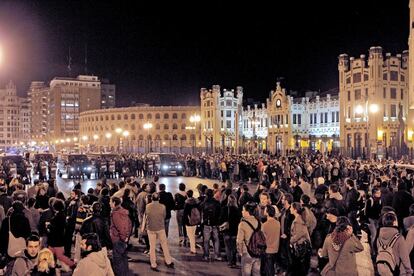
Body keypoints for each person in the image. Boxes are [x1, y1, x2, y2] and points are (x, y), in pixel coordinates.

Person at [145, 192, 174, 271]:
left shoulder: (147, 206)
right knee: (164, 245)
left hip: (150, 228)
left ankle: (153, 263)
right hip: (160, 228)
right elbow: (164, 216)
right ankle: (168, 261)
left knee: (152, 246)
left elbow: (146, 215)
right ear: (159, 198)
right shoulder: (163, 206)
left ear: (151, 198)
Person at [237, 201, 261, 276]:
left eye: (243, 210)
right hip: (258, 252)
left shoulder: (243, 224)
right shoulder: (259, 222)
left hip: (247, 252)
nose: (242, 212)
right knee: (257, 273)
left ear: (247, 212)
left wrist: (240, 251)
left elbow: (239, 240)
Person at [110, 196, 132, 276]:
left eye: (110, 202)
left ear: (114, 203)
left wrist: (123, 238)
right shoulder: (123, 212)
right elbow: (129, 224)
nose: (109, 203)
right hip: (121, 240)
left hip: (118, 240)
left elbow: (121, 227)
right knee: (123, 259)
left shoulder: (116, 214)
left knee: (117, 261)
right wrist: (127, 236)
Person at [219, 194, 241, 268]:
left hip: (227, 231)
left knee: (228, 247)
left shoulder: (224, 209)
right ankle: (234, 262)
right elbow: (239, 221)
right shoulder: (238, 210)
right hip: (235, 231)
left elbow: (221, 219)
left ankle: (229, 262)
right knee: (234, 248)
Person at [289, 202, 311, 275]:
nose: (290, 209)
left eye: (291, 207)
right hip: (301, 246)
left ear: (295, 210)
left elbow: (299, 234)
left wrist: (291, 240)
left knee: (299, 267)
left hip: (301, 247)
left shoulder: (298, 221)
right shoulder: (299, 219)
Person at [201, 188, 221, 261]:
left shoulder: (204, 203)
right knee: (216, 240)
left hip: (206, 224)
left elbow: (200, 208)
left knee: (206, 241)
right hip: (215, 223)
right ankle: (217, 255)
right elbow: (219, 213)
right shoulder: (217, 202)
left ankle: (206, 255)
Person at [261, 205, 280, 276]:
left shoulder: (265, 225)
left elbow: (262, 238)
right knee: (272, 268)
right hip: (275, 249)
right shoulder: (278, 223)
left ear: (267, 212)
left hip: (267, 250)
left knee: (268, 270)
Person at [183, 189, 200, 254]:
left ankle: (193, 250)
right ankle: (193, 248)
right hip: (195, 220)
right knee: (192, 235)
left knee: (190, 236)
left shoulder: (187, 203)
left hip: (189, 222)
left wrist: (184, 222)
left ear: (187, 195)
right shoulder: (196, 202)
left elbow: (185, 214)